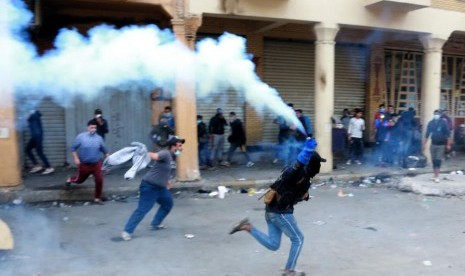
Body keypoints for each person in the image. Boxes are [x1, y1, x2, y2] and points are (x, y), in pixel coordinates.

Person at [230, 137, 320, 276]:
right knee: (298, 239)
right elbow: (295, 170)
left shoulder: (301, 176)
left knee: (273, 244)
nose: (319, 167)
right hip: (281, 213)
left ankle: (248, 227)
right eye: (317, 164)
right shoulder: (297, 172)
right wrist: (307, 152)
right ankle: (290, 270)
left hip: (271, 211)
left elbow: (296, 192)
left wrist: (304, 195)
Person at [121, 136, 185, 241]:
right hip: (149, 186)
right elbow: (153, 155)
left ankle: (155, 223)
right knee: (142, 209)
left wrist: (167, 181)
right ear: (173, 146)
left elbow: (166, 170)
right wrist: (144, 153)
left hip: (161, 188)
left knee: (168, 204)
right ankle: (127, 231)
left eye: (181, 146)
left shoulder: (174, 156)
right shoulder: (165, 153)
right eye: (179, 146)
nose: (181, 148)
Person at [66, 119, 109, 204]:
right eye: (91, 127)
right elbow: (73, 148)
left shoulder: (99, 138)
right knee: (79, 180)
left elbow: (105, 151)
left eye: (95, 128)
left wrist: (109, 162)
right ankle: (69, 180)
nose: (93, 129)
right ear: (88, 128)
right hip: (84, 165)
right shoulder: (81, 137)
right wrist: (76, 158)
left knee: (99, 180)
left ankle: (97, 198)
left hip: (97, 164)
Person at [423, 110, 451, 183]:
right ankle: (434, 175)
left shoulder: (443, 123)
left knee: (438, 161)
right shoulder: (431, 123)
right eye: (435, 114)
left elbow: (448, 134)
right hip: (433, 144)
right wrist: (424, 144)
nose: (436, 115)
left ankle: (437, 176)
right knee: (434, 160)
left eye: (438, 114)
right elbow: (427, 134)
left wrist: (448, 144)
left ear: (440, 115)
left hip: (441, 145)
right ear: (434, 114)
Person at [25, 110, 54, 175]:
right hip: (35, 136)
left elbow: (29, 119)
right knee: (28, 150)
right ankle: (37, 166)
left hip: (37, 136)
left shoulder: (33, 115)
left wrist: (27, 117)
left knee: (39, 152)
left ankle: (49, 167)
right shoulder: (33, 115)